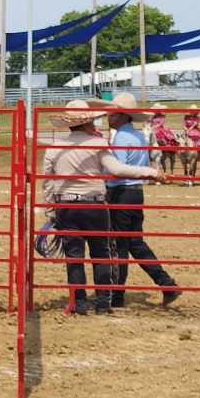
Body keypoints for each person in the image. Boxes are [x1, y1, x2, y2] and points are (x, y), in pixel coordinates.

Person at [39, 100, 163, 315]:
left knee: (74, 256)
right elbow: (117, 169)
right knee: (101, 254)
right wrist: (151, 172)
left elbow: (48, 182)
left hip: (66, 206)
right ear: (88, 122)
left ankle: (79, 303)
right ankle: (103, 304)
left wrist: (51, 210)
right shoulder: (98, 144)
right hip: (94, 205)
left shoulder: (54, 147)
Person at [101, 93, 181, 307]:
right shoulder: (138, 137)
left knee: (120, 246)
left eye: (112, 112)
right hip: (136, 193)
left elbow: (117, 170)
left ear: (122, 115)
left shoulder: (121, 138)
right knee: (135, 243)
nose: (109, 115)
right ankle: (166, 284)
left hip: (121, 194)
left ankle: (117, 296)